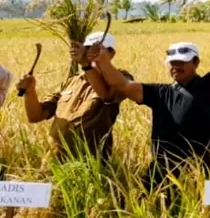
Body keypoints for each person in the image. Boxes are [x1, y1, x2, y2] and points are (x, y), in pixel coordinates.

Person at [94, 29, 210, 193]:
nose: (176, 66)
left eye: (181, 62)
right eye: (172, 63)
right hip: (160, 169)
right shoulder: (159, 92)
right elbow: (123, 85)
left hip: (195, 169)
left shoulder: (207, 86)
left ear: (196, 63)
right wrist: (102, 61)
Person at [17, 32, 131, 160]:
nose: (90, 53)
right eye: (87, 49)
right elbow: (35, 116)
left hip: (89, 164)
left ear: (111, 53)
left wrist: (86, 65)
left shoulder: (120, 79)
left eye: (97, 49)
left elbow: (106, 95)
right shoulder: (71, 81)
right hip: (54, 161)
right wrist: (30, 91)